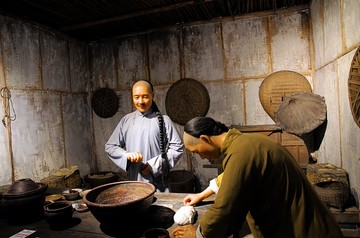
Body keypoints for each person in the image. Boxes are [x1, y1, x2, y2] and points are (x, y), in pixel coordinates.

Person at [172, 117, 343, 238]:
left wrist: (198, 233)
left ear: (205, 139)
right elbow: (233, 175)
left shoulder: (242, 152)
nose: (201, 157)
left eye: (197, 152)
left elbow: (225, 210)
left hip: (305, 231)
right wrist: (202, 195)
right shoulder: (246, 143)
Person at [105, 80, 184, 192]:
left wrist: (153, 166)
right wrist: (127, 155)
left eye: (145, 96)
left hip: (159, 187)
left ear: (153, 95)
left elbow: (177, 148)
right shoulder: (126, 120)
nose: (141, 101)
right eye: (136, 97)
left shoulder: (164, 121)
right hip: (134, 185)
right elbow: (110, 147)